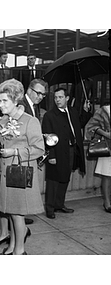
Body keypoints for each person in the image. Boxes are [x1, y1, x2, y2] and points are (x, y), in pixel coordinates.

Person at [0, 79, 45, 255]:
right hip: (5, 175)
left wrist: (15, 152)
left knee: (18, 215)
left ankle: (20, 251)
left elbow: (39, 148)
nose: (0, 104)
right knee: (9, 211)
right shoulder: (2, 121)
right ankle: (12, 246)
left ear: (15, 101)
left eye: (5, 101)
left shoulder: (30, 121)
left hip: (19, 173)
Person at [42, 87, 86, 219]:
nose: (57, 100)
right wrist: (51, 155)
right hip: (57, 151)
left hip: (71, 149)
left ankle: (59, 204)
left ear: (67, 98)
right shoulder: (49, 115)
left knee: (65, 177)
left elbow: (80, 124)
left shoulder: (72, 111)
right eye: (55, 98)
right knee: (53, 180)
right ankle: (50, 208)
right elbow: (47, 137)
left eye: (60, 97)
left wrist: (86, 110)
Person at [85, 104, 111, 213]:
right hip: (108, 146)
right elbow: (91, 126)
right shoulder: (105, 110)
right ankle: (107, 203)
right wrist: (105, 133)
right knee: (107, 176)